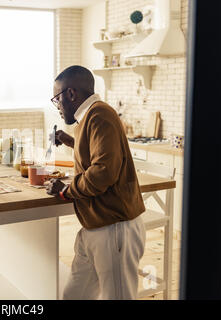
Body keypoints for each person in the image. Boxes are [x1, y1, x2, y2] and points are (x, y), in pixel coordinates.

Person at [46, 65, 146, 300]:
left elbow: (102, 172)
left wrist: (66, 191)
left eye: (57, 99)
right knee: (74, 296)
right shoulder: (89, 117)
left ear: (71, 94)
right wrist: (70, 140)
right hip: (94, 226)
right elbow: (95, 154)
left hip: (113, 228)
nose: (58, 107)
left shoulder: (100, 114)